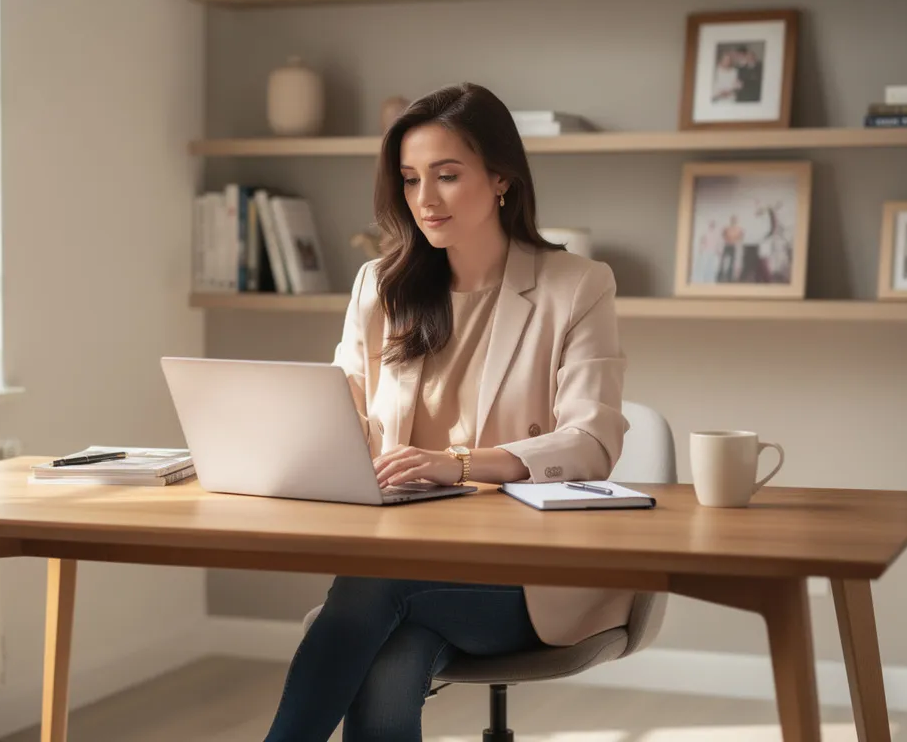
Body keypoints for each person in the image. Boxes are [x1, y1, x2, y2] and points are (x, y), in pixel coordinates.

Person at [262, 82, 633, 742]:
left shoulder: (577, 285)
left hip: (530, 578)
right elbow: (339, 411)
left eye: (447, 175)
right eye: (409, 180)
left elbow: (592, 442)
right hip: (408, 561)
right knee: (389, 664)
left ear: (501, 180)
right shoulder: (382, 287)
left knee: (369, 591)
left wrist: (455, 464)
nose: (425, 200)